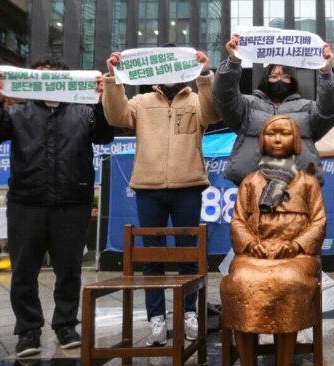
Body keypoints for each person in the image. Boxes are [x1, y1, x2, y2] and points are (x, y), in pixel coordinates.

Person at [0, 55, 114, 357]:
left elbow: (105, 134)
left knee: (69, 269)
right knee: (23, 271)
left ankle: (66, 326)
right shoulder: (17, 113)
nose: (47, 80)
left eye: (54, 75)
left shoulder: (83, 112)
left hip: (72, 202)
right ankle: (28, 332)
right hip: (27, 202)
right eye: (40, 75)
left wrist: (104, 100)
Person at [101, 46, 218, 346]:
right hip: (148, 188)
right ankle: (156, 318)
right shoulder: (141, 101)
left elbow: (213, 113)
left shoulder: (194, 99)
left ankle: (189, 312)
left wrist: (204, 74)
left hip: (189, 186)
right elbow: (116, 116)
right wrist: (114, 79)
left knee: (188, 254)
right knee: (151, 256)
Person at [220, 114, 326, 366]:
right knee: (240, 282)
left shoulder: (308, 183)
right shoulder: (250, 182)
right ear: (262, 140)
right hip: (253, 256)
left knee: (289, 281)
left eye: (284, 133)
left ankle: (284, 361)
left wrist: (295, 245)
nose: (277, 139)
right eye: (271, 133)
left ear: (296, 140)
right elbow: (237, 221)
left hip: (296, 258)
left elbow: (318, 222)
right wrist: (249, 243)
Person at [212, 32, 334, 186]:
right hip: (252, 185)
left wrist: (326, 73)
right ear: (265, 80)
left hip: (298, 186)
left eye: (285, 76)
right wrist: (233, 62)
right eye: (274, 76)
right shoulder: (248, 105)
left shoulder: (307, 108)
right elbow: (224, 97)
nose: (279, 79)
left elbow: (330, 110)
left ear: (293, 82)